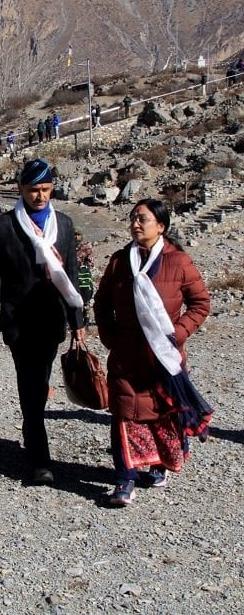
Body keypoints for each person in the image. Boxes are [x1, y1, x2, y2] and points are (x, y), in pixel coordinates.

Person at [94, 199, 212, 507]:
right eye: (133, 218)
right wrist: (110, 338)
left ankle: (159, 465)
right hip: (125, 355)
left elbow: (200, 303)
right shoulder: (121, 261)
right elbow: (102, 303)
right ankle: (125, 479)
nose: (135, 224)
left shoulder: (179, 262)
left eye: (142, 219)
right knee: (123, 414)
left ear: (160, 226)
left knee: (161, 414)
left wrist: (179, 333)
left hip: (163, 357)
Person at [0, 158, 85, 484]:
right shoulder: (2, 227)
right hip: (19, 322)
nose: (40, 196)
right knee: (31, 383)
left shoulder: (64, 225)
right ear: (20, 189)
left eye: (45, 189)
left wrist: (78, 320)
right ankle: (39, 458)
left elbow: (70, 276)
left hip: (52, 319)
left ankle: (31, 429)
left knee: (40, 380)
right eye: (33, 190)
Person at [75, 230, 95, 327]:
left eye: (78, 235)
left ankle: (86, 319)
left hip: (83, 274)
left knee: (86, 297)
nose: (76, 237)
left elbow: (91, 262)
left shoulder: (86, 247)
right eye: (75, 235)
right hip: (75, 275)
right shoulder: (69, 246)